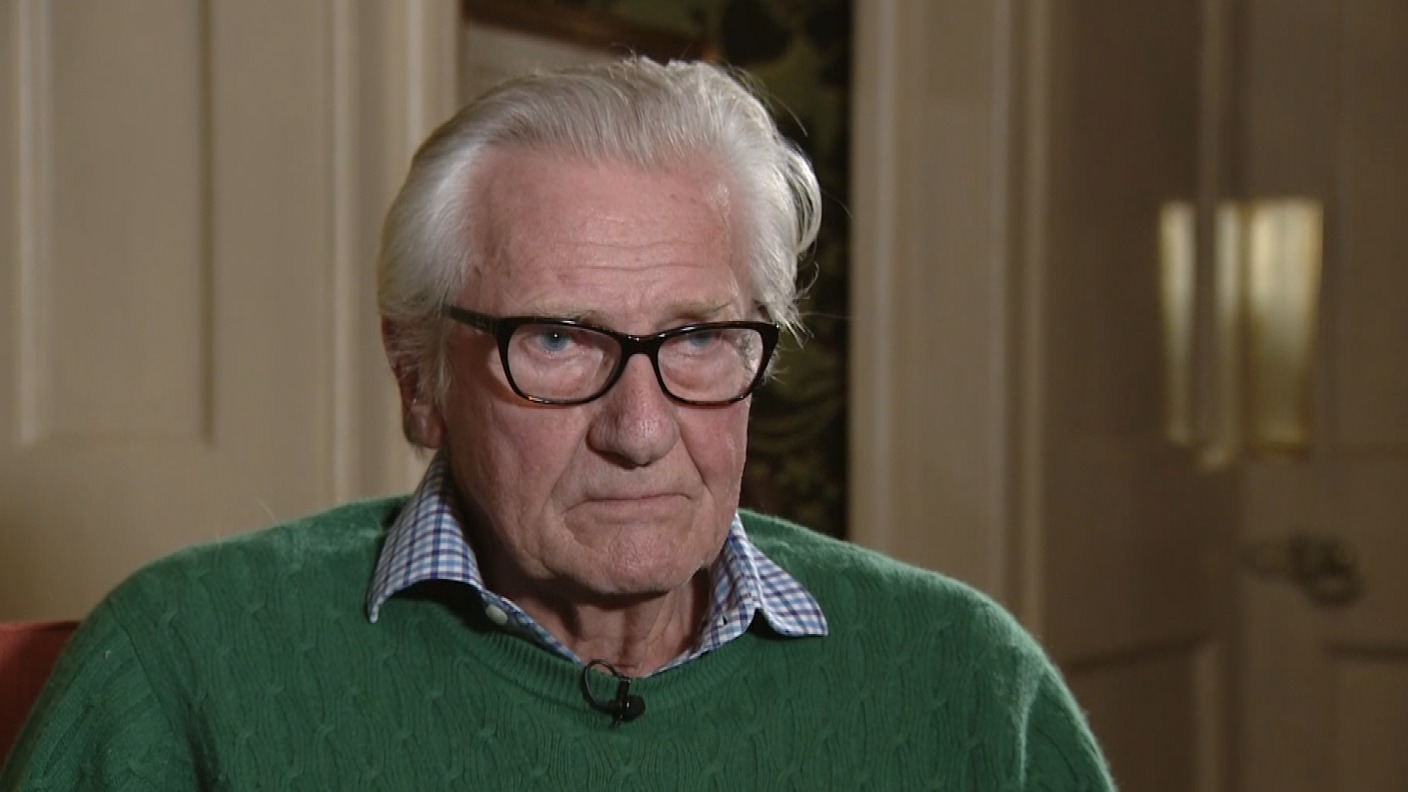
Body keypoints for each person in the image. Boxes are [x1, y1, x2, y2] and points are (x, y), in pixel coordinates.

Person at [1, 57, 1114, 789]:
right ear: (417, 379)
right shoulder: (185, 664)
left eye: (697, 338)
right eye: (557, 340)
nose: (640, 429)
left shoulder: (968, 685)